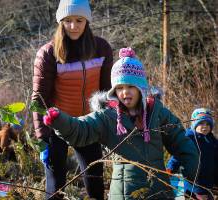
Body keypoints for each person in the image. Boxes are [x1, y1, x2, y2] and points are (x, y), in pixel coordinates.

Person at [41, 47, 199, 199]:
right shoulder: (107, 117)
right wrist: (59, 120)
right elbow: (81, 130)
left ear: (141, 88)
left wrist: (193, 179)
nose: (125, 92)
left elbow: (182, 143)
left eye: (131, 86)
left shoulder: (158, 113)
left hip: (158, 192)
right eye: (120, 87)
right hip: (124, 195)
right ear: (114, 91)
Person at [31, 0, 113, 199]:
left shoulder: (101, 48)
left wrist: (109, 124)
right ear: (60, 22)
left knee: (95, 183)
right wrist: (43, 140)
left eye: (79, 20)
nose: (73, 26)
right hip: (56, 125)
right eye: (67, 21)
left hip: (88, 125)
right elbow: (38, 98)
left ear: (87, 21)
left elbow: (108, 91)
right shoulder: (48, 54)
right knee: (55, 186)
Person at [166, 108, 218, 200]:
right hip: (193, 183)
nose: (205, 127)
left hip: (210, 182)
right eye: (201, 123)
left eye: (208, 124)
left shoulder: (212, 140)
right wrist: (170, 168)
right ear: (194, 123)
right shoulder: (188, 139)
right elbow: (178, 155)